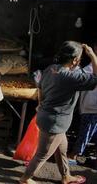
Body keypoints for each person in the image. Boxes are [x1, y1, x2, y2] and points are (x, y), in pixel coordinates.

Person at [20, 41, 97, 184]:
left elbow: (41, 89)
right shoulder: (70, 77)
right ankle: (25, 178)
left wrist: (42, 104)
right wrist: (93, 56)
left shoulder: (51, 69)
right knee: (42, 154)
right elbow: (95, 80)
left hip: (50, 118)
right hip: (54, 123)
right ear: (75, 60)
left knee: (62, 149)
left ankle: (66, 176)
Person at [68, 43, 97, 165]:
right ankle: (73, 155)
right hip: (90, 107)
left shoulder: (91, 67)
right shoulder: (89, 68)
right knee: (86, 131)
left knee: (88, 131)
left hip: (92, 107)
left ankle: (75, 155)